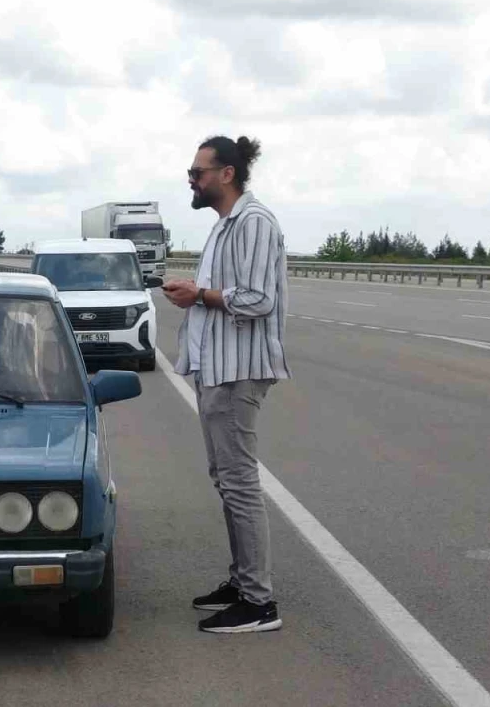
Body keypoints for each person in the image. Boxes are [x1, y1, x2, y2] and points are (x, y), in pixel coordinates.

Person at [163, 135, 290, 634]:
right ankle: (241, 583)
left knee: (239, 482)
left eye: (197, 173)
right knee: (226, 479)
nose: (191, 181)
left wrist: (199, 295)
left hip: (238, 370)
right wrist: (195, 295)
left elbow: (258, 299)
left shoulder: (254, 222)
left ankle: (259, 603)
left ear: (227, 174)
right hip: (215, 368)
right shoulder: (223, 226)